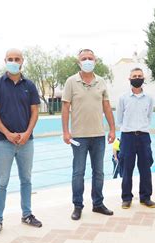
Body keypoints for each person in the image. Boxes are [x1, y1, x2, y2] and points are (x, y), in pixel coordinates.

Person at [0, 48, 42, 237]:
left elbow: (35, 111)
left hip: (26, 141)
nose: (13, 61)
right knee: (1, 182)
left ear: (22, 61)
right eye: (10, 58)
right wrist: (7, 133)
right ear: (5, 60)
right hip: (4, 142)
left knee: (26, 180)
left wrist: (27, 133)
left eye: (16, 58)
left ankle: (27, 214)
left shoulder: (30, 85)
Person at [61, 48, 116, 220]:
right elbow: (65, 107)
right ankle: (77, 206)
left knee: (98, 172)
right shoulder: (71, 82)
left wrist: (112, 129)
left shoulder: (101, 82)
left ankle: (98, 203)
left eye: (90, 58)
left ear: (95, 60)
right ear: (78, 62)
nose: (87, 61)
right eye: (84, 58)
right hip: (78, 137)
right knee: (78, 172)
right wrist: (65, 131)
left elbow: (106, 106)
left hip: (98, 135)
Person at [116, 67, 155, 209]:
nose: (137, 78)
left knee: (145, 168)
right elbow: (119, 119)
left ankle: (146, 197)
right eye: (134, 76)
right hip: (127, 137)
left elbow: (149, 116)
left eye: (139, 75)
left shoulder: (149, 98)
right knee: (127, 168)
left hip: (144, 136)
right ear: (129, 79)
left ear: (143, 78)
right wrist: (129, 128)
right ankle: (126, 198)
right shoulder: (123, 98)